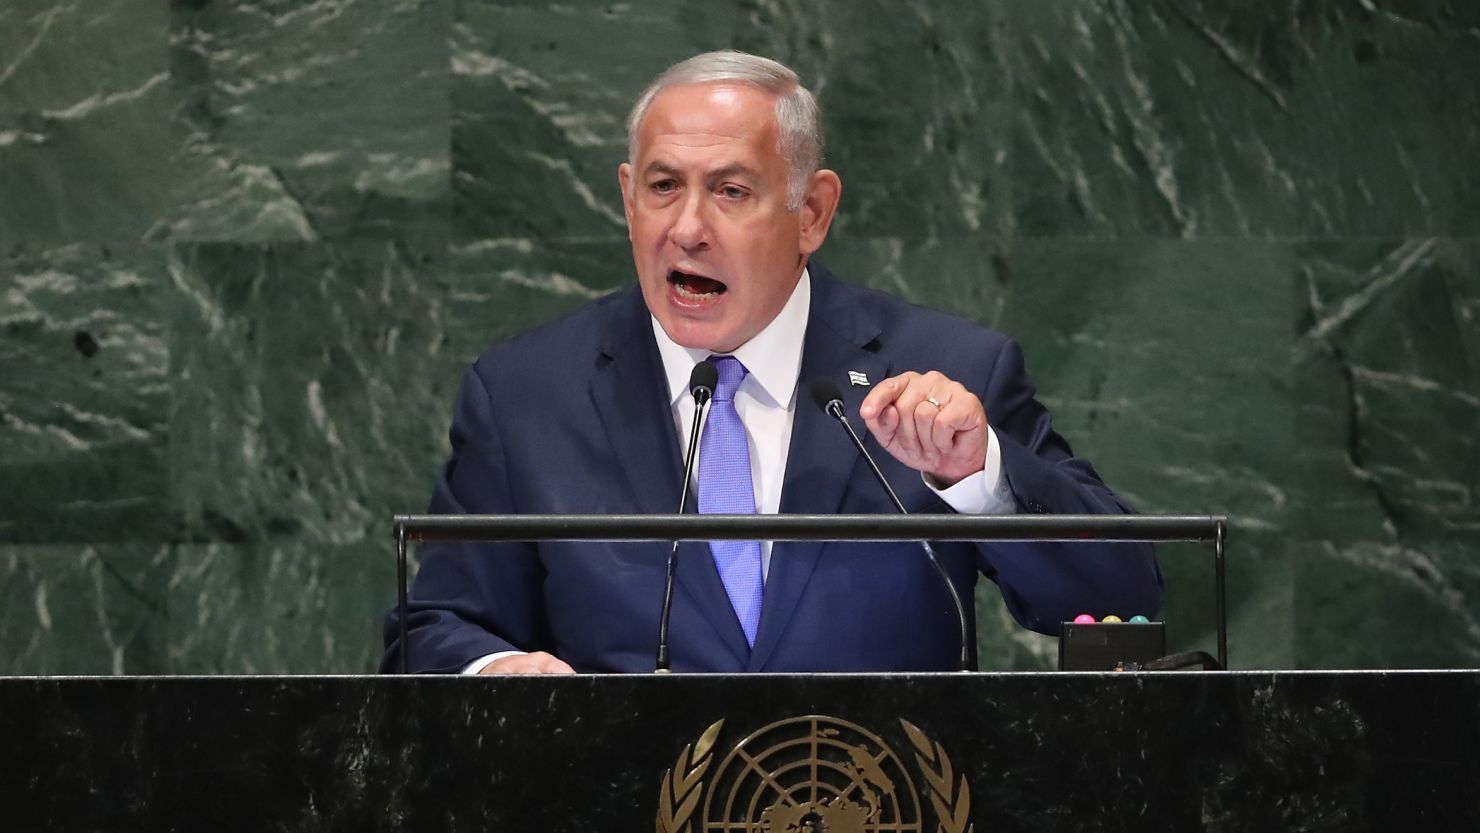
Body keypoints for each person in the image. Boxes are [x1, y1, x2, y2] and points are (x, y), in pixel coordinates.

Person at [381, 50, 1162, 674]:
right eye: (663, 187)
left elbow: (1126, 597)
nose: (687, 227)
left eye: (730, 190)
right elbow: (433, 629)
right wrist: (494, 669)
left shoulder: (947, 370)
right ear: (627, 197)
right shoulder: (525, 397)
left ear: (812, 211)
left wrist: (980, 475)